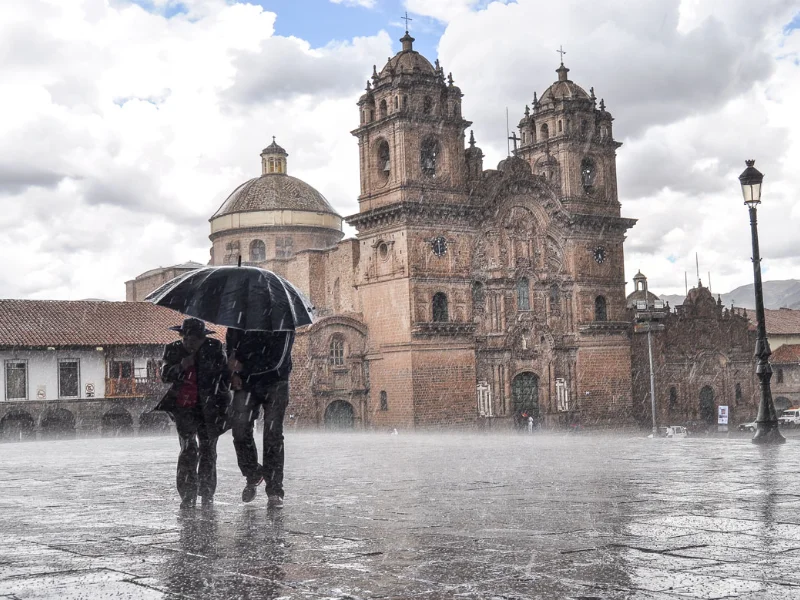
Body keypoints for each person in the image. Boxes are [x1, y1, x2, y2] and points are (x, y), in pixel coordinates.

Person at [156, 317, 230, 509]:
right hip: (184, 406)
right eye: (186, 339)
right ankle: (188, 495)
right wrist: (181, 366)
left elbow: (224, 375)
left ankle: (207, 493)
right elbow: (165, 375)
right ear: (182, 336)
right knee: (188, 448)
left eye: (195, 340)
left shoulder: (214, 347)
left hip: (210, 406)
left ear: (203, 338)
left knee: (208, 449)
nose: (190, 343)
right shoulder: (172, 349)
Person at [226, 327, 294, 508]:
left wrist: (244, 367)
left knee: (273, 434)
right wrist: (233, 371)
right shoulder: (240, 317)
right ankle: (253, 473)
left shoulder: (284, 319)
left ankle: (274, 490)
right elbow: (231, 344)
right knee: (239, 431)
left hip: (276, 381)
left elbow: (278, 358)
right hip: (246, 382)